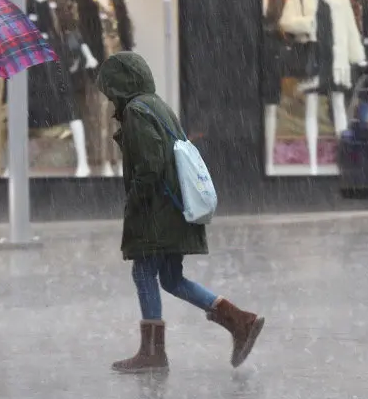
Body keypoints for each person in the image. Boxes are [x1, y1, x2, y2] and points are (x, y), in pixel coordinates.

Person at [96, 51, 264, 374]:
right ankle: (239, 321)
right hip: (174, 208)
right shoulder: (155, 104)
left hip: (157, 211)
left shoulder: (136, 110)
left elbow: (150, 164)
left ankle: (152, 352)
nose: (108, 99)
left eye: (108, 91)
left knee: (143, 272)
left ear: (119, 86)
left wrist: (135, 200)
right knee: (171, 278)